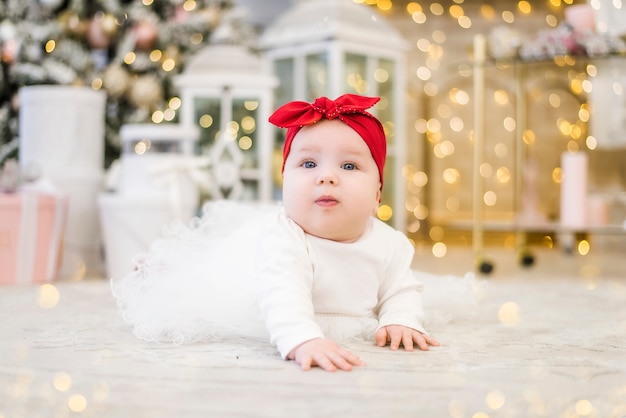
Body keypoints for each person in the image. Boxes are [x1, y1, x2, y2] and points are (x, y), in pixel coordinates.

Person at [111, 94, 439, 372]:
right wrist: (302, 338)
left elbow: (401, 289)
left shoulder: (390, 243)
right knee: (198, 278)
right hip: (252, 285)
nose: (326, 177)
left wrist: (400, 318)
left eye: (349, 166)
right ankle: (164, 270)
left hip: (344, 320)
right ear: (285, 182)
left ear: (378, 195)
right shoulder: (283, 238)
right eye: (308, 164)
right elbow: (283, 292)